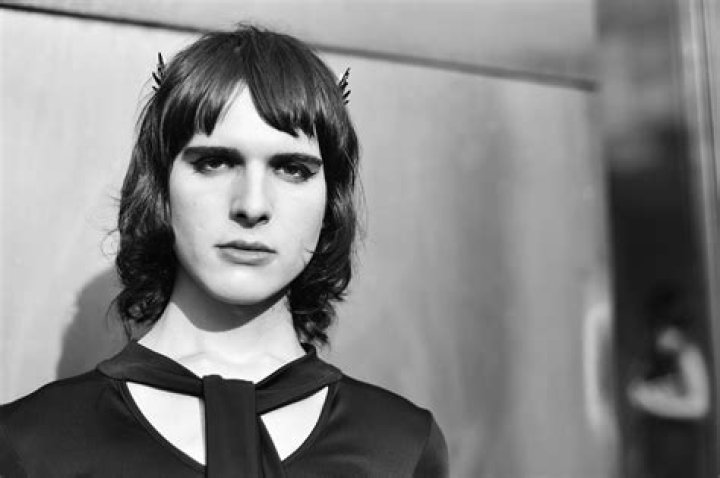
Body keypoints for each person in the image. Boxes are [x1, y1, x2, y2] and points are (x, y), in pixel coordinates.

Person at [0, 25, 448, 477]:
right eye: (214, 162)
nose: (252, 205)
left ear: (331, 199)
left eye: (292, 169)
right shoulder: (30, 443)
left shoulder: (402, 445)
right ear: (160, 185)